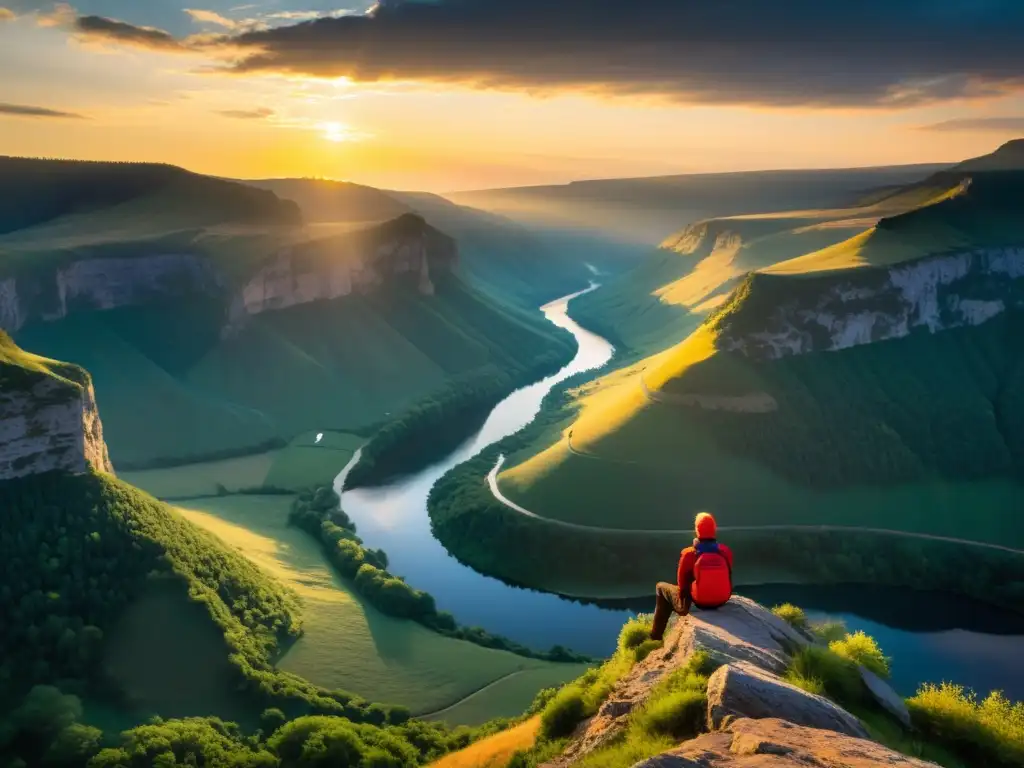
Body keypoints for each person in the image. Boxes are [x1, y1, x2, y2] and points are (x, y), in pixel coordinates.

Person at [649, 512, 733, 641]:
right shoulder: (725, 551)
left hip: (698, 603)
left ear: (697, 530)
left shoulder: (689, 554)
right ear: (714, 530)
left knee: (660, 587)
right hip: (721, 601)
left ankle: (655, 636)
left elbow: (682, 587)